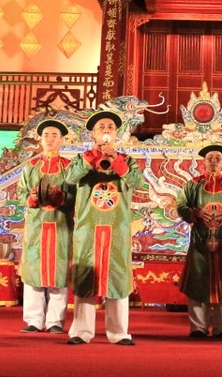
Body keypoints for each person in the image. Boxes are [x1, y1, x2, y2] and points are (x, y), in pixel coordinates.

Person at [63, 111, 144, 346]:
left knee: (117, 278)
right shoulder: (82, 158)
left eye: (110, 127)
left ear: (117, 134)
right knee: (86, 276)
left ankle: (119, 333)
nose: (106, 130)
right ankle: (81, 331)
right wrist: (91, 157)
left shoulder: (127, 160)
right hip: (89, 228)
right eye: (101, 127)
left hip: (116, 229)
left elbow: (138, 183)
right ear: (93, 133)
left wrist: (116, 161)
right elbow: (69, 178)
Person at [177, 144, 222, 339]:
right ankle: (198, 328)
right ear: (204, 161)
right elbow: (181, 207)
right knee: (198, 279)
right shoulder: (193, 185)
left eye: (218, 157)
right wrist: (197, 212)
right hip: (200, 238)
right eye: (210, 157)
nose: (214, 161)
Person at [17, 118, 75, 335]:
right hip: (37, 226)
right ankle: (33, 319)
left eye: (54, 136)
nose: (50, 139)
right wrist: (32, 198)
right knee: (34, 271)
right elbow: (21, 193)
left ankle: (55, 321)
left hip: (60, 225)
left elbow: (76, 196)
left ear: (62, 140)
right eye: (46, 135)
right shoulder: (31, 166)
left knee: (59, 272)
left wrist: (61, 197)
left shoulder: (69, 167)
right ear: (40, 139)